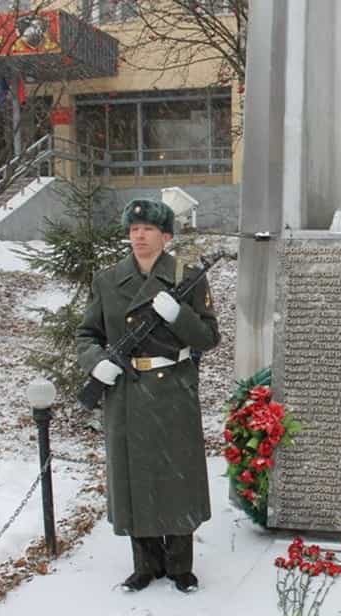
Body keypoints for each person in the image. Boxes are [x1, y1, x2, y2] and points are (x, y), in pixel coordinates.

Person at [77, 199, 220, 593]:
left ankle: (179, 566)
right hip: (127, 391)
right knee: (134, 476)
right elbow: (87, 334)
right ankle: (145, 565)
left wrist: (179, 315)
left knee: (176, 477)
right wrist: (96, 362)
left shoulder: (187, 277)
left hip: (172, 388)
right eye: (133, 229)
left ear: (166, 236)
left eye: (148, 230)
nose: (138, 236)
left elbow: (209, 338)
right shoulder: (108, 280)